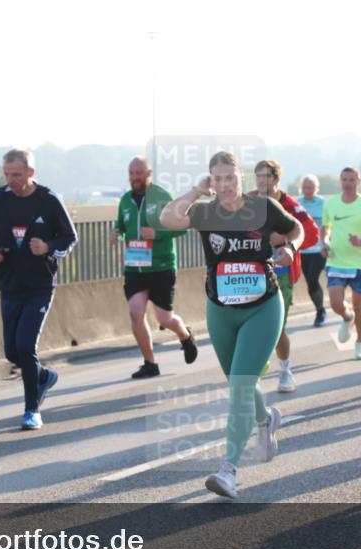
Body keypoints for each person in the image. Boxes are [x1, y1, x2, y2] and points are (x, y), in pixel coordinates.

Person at [160, 151, 304, 498]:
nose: (224, 185)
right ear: (211, 180)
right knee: (238, 381)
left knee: (240, 384)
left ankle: (228, 470)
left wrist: (292, 248)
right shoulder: (206, 211)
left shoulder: (263, 208)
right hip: (220, 309)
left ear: (241, 178)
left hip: (263, 306)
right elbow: (168, 219)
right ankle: (265, 418)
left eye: (230, 177)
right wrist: (196, 191)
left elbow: (295, 228)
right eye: (217, 178)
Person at [0, 148, 78, 430]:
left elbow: (69, 237)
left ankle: (31, 410)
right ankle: (43, 377)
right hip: (10, 283)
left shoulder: (48, 200)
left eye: (16, 175)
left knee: (26, 346)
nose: (11, 180)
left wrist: (48, 247)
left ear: (30, 173)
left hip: (39, 285)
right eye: (7, 174)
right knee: (13, 353)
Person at [110, 156, 198, 379]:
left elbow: (182, 226)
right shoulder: (126, 200)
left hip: (161, 266)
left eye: (139, 173)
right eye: (131, 173)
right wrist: (115, 233)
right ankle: (150, 363)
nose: (135, 177)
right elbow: (120, 225)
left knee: (164, 319)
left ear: (149, 174)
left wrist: (157, 234)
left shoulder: (161, 197)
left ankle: (185, 335)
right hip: (135, 267)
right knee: (135, 312)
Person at [251, 160, 319, 393]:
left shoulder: (290, 204)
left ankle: (286, 370)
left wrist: (285, 241)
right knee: (251, 325)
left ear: (276, 180)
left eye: (266, 177)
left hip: (281, 274)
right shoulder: (248, 200)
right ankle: (259, 362)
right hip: (252, 273)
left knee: (276, 327)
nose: (261, 181)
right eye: (258, 176)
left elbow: (311, 233)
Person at [321, 167, 361, 360]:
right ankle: (347, 318)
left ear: (358, 181)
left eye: (351, 180)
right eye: (344, 180)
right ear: (340, 181)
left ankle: (360, 342)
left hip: (359, 264)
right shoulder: (330, 204)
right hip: (336, 261)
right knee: (335, 303)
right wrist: (324, 241)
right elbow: (325, 228)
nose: (347, 183)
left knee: (359, 304)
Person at [297, 174, 329, 327]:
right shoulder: (297, 204)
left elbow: (329, 226)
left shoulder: (324, 204)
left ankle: (320, 312)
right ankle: (320, 308)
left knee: (312, 278)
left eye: (310, 187)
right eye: (304, 187)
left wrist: (327, 243)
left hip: (319, 249)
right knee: (310, 283)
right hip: (303, 250)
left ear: (316, 188)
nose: (307, 190)